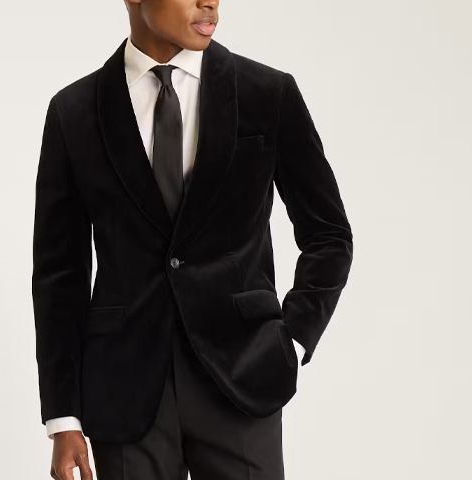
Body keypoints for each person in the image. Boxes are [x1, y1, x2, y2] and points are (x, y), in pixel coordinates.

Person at [32, 0, 353, 479]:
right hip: (125, 391)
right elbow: (60, 276)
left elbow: (328, 233)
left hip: (242, 378)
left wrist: (292, 336)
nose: (211, 2)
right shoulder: (74, 112)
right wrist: (64, 417)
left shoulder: (268, 93)